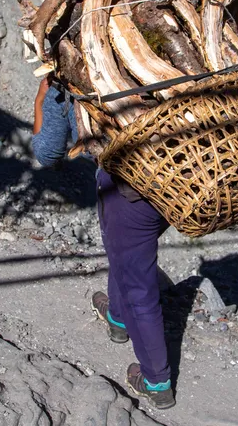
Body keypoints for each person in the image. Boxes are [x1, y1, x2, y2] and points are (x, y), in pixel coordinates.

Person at [32, 76, 176, 410]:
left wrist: (42, 97)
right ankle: (116, 316)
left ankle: (157, 381)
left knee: (139, 286)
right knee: (125, 254)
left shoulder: (67, 80)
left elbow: (47, 152)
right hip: (175, 177)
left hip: (130, 190)